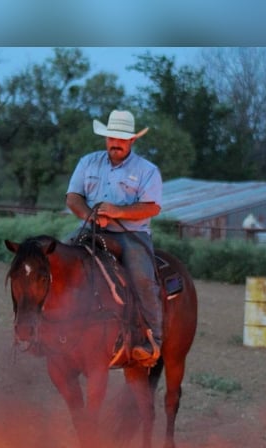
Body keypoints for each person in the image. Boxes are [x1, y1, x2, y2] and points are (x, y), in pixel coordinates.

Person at [66, 109, 163, 365]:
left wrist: (118, 211)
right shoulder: (88, 162)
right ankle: (54, 328)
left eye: (121, 138)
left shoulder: (147, 170)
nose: (115, 143)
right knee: (59, 259)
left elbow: (152, 207)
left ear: (132, 140)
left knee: (142, 277)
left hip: (131, 234)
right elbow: (73, 197)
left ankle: (153, 337)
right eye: (111, 137)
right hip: (92, 229)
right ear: (105, 138)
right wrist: (91, 215)